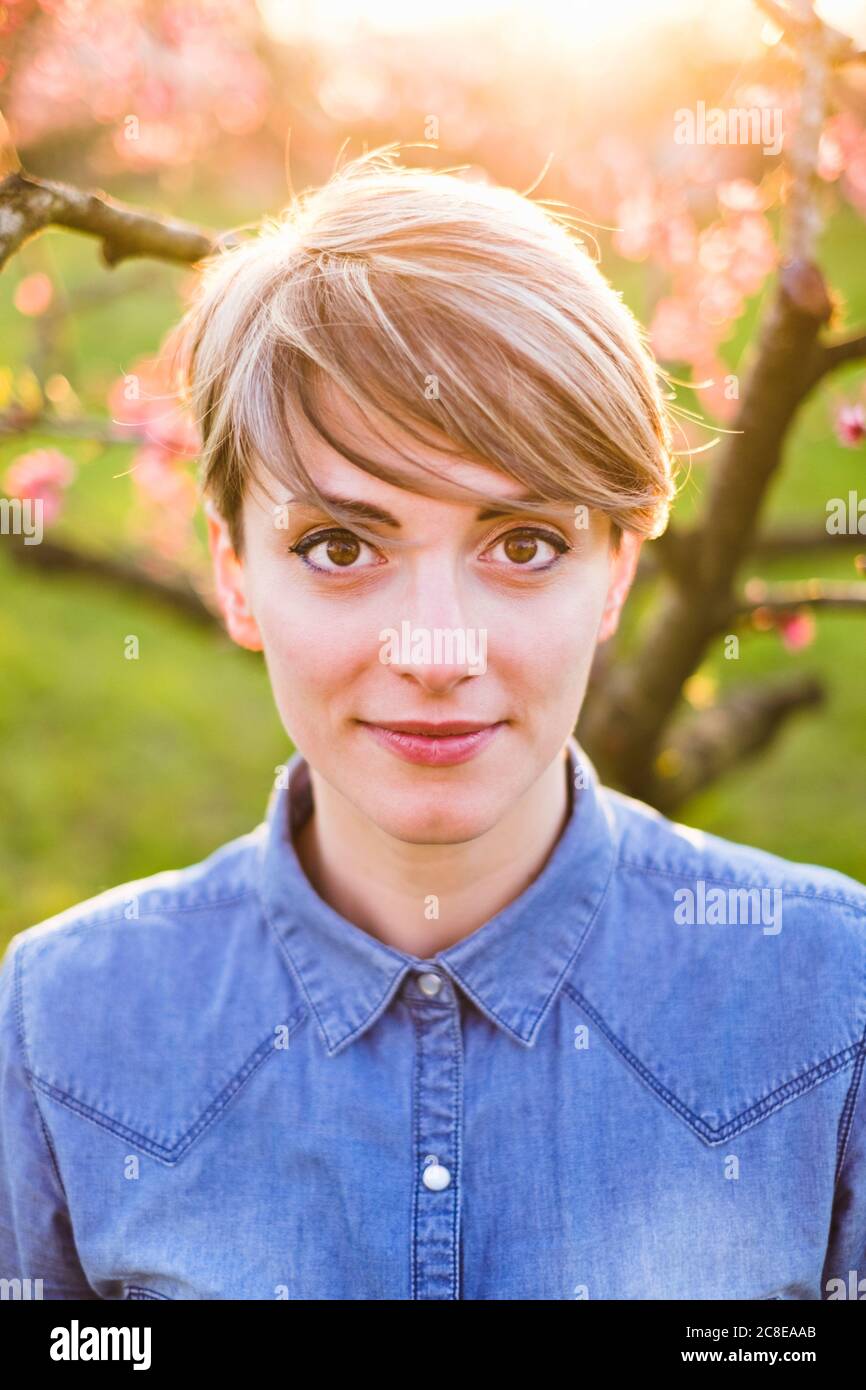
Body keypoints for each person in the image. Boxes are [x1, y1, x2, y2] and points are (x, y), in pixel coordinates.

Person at [1, 148, 864, 1302]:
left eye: (521, 544)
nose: (436, 648)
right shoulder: (61, 1021)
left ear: (615, 573)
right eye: (341, 547)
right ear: (237, 574)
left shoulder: (830, 998)